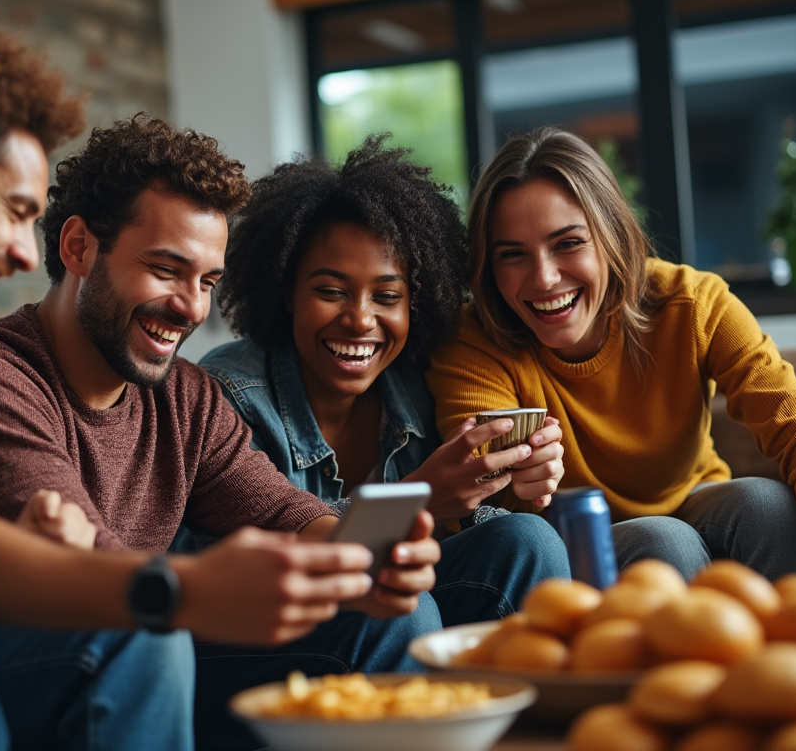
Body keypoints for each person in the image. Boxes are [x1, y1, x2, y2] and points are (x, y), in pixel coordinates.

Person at [0, 18, 383, 751]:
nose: (19, 252)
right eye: (13, 212)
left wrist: (362, 553)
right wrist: (175, 589)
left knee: (110, 629)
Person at [0, 113, 444, 751]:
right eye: (167, 270)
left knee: (395, 612)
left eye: (207, 282)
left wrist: (368, 557)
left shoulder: (185, 395)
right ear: (79, 247)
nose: (192, 308)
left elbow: (279, 506)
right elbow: (84, 570)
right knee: (146, 627)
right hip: (23, 667)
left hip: (148, 638)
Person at [198, 135, 571, 628]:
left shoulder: (415, 388)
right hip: (268, 626)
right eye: (331, 291)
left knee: (527, 539)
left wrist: (510, 483)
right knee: (398, 602)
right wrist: (418, 496)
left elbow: (467, 532)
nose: (359, 320)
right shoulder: (226, 396)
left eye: (387, 296)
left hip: (400, 606)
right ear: (286, 292)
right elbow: (269, 566)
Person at [426, 125, 796, 582]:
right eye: (512, 255)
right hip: (571, 538)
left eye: (568, 243)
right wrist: (517, 484)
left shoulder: (692, 304)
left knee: (768, 507)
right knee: (664, 541)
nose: (545, 278)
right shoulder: (473, 341)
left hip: (696, 504)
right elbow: (478, 499)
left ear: (611, 234)